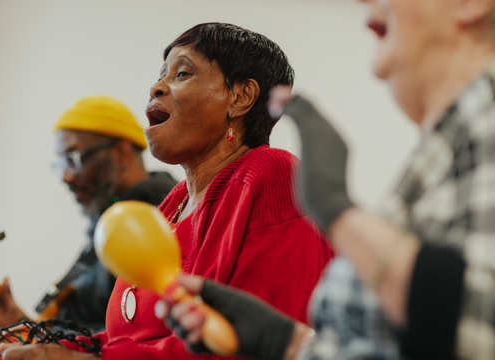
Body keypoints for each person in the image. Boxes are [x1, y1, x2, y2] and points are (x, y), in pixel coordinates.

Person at [161, 0, 495, 359]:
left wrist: (342, 215)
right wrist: (287, 343)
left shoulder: (484, 126)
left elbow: (480, 331)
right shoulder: (446, 152)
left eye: (181, 73)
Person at [1, 23, 333, 360]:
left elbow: (267, 341)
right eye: (161, 75)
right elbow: (134, 339)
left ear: (240, 96)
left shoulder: (272, 175)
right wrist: (55, 349)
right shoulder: (171, 207)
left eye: (182, 73)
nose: (157, 87)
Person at [0, 95, 177, 333]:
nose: (65, 177)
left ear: (122, 154)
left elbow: (132, 336)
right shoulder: (107, 222)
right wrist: (22, 327)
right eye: (61, 164)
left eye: (74, 158)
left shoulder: (152, 219)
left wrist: (21, 333)